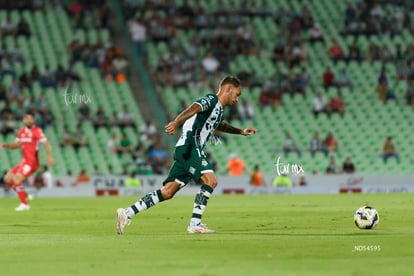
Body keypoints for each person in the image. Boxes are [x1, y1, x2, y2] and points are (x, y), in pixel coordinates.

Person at [116, 76, 256, 235]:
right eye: (237, 94)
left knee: (167, 192)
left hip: (185, 150)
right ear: (228, 89)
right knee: (211, 181)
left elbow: (220, 124)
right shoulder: (211, 99)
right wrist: (176, 122)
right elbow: (194, 108)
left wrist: (241, 131)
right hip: (190, 146)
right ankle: (195, 223)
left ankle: (127, 213)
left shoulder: (218, 110)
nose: (237, 99)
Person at [1, 111, 54, 211]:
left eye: (31, 118)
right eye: (27, 118)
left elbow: (46, 143)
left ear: (33, 120)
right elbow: (16, 145)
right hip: (25, 161)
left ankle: (24, 204)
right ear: (23, 120)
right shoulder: (21, 131)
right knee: (7, 178)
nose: (29, 120)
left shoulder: (36, 130)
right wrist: (7, 145)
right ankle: (25, 195)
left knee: (17, 178)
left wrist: (49, 156)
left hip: (32, 162)